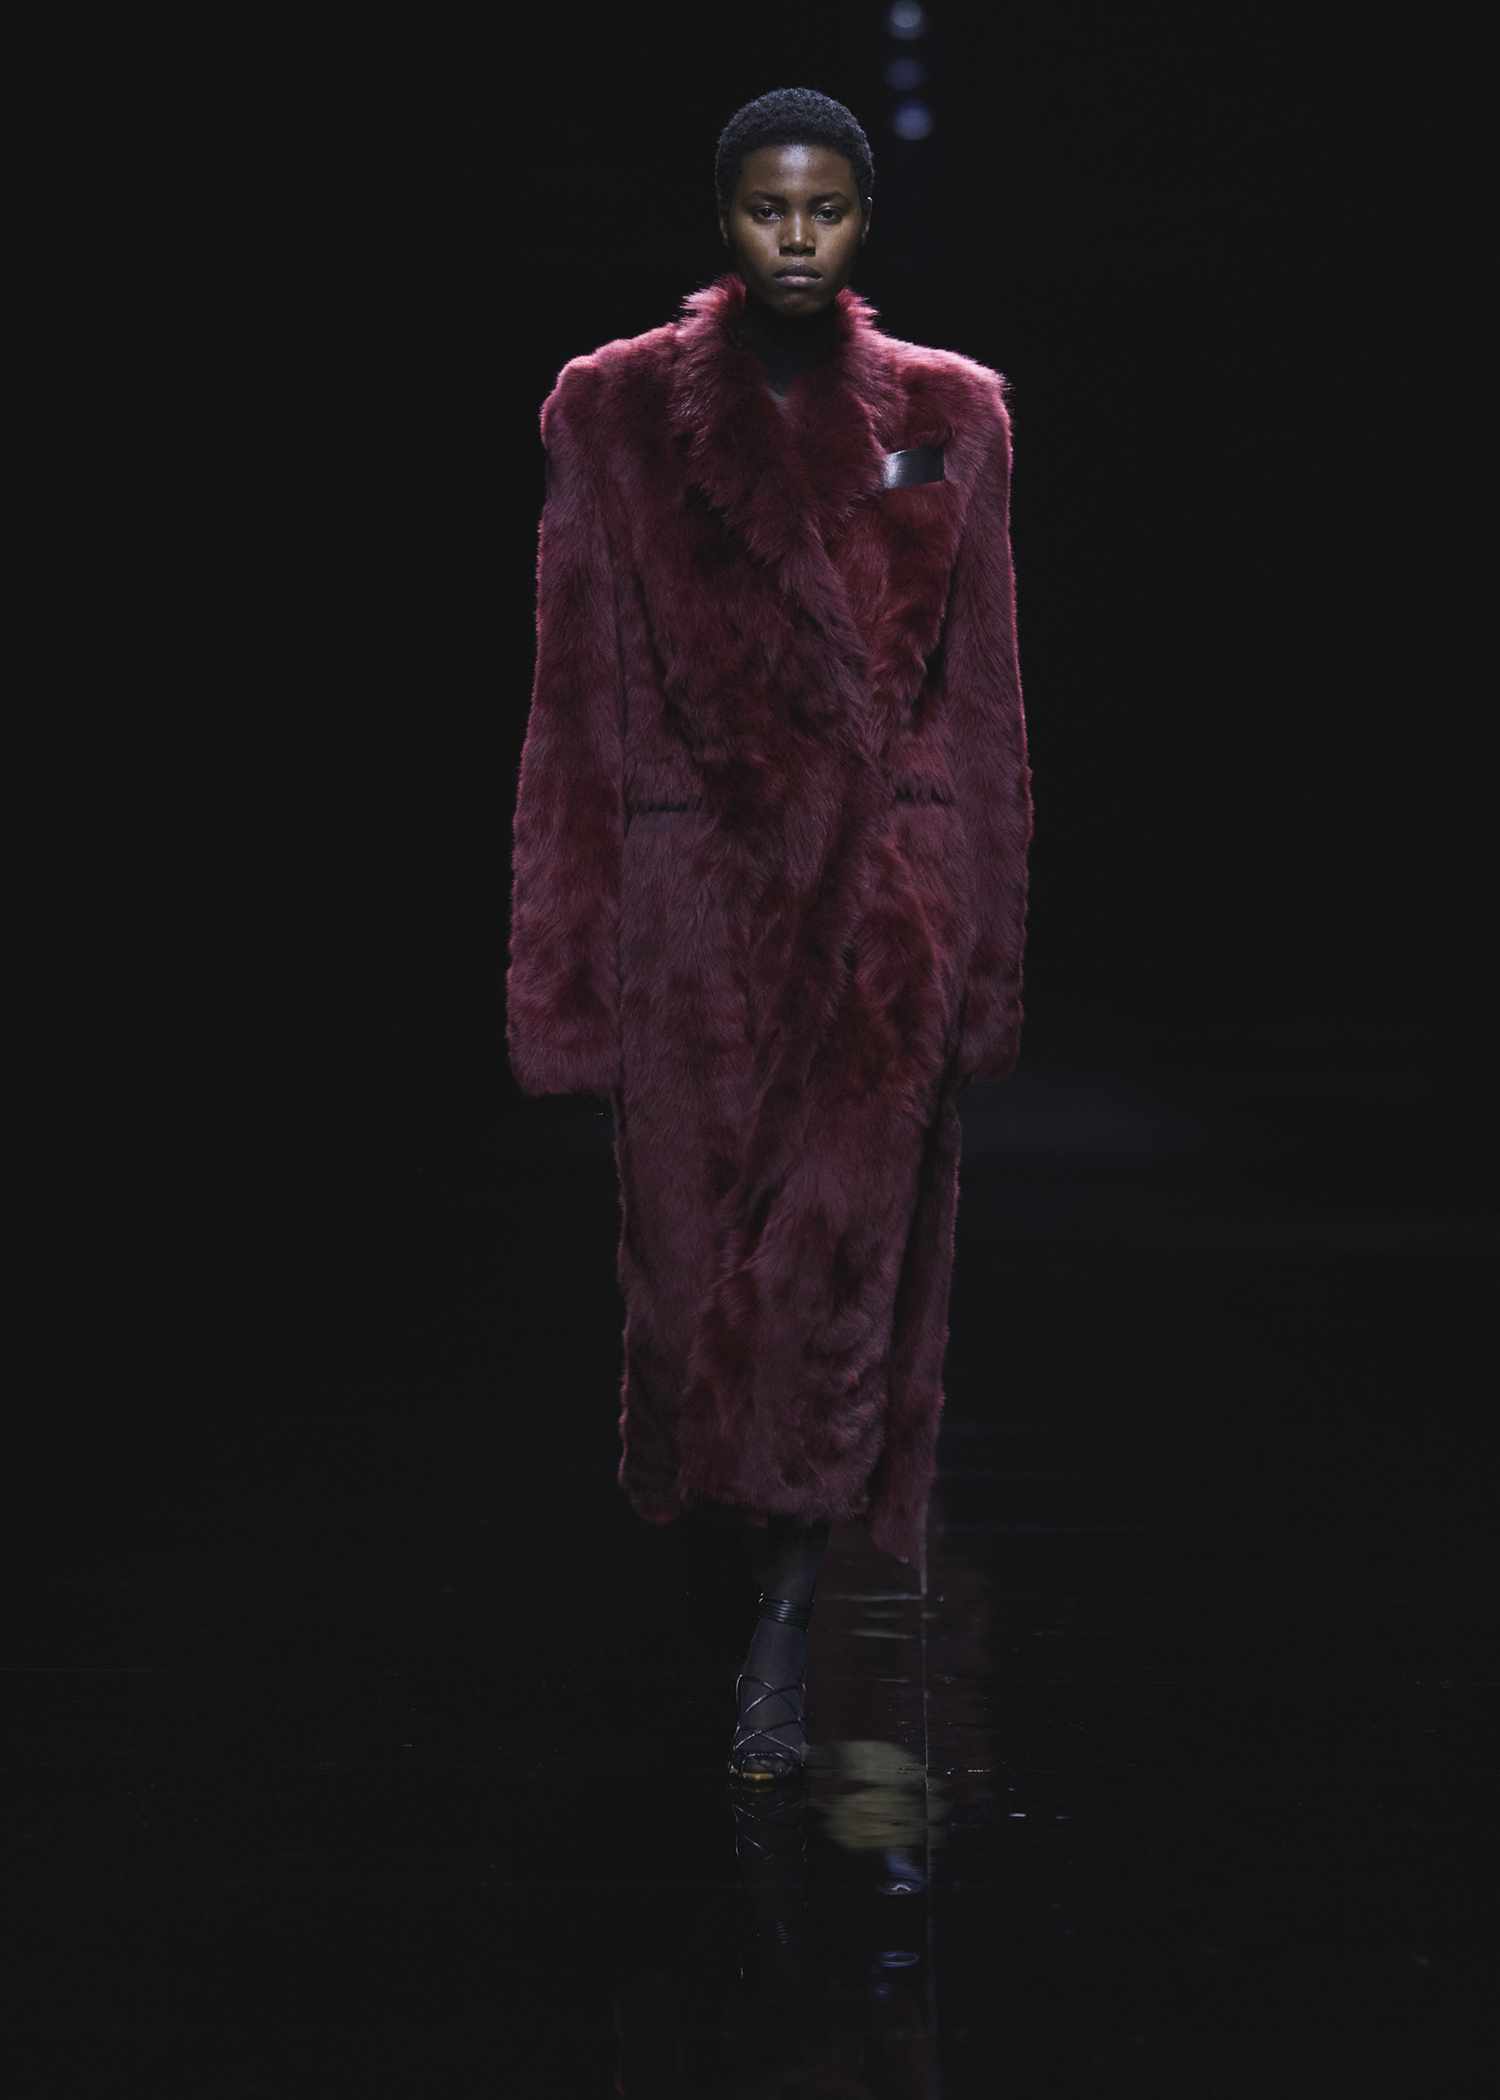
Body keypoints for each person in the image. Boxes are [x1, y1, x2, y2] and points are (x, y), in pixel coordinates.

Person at [507, 89, 1031, 1782]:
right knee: (685, 1301)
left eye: (824, 210)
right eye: (764, 209)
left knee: (831, 1291)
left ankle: (785, 1645)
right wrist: (566, 965)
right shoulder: (612, 412)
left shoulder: (952, 415)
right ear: (724, 220)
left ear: (863, 221)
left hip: (882, 914)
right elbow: (574, 695)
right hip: (694, 916)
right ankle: (736, 1598)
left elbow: (983, 704)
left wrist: (982, 956)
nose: (795, 238)